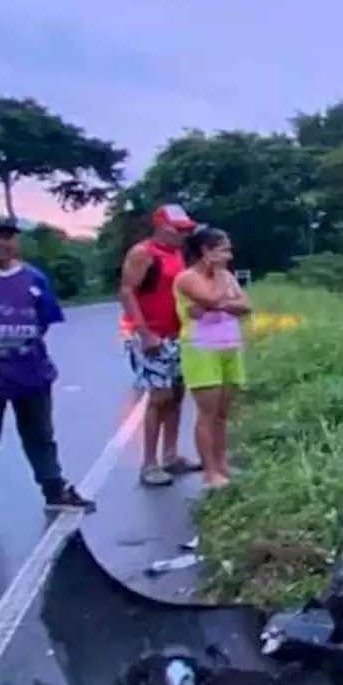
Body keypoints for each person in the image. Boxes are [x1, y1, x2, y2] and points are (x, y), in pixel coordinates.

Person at [0, 216, 96, 514]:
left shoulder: (34, 279)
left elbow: (44, 322)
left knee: (40, 436)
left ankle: (54, 489)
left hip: (32, 374)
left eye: (8, 236)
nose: (2, 243)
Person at [119, 203, 202, 486]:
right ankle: (149, 463)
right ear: (160, 226)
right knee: (159, 397)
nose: (182, 234)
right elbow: (127, 292)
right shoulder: (143, 253)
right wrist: (144, 333)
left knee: (177, 395)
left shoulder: (177, 253)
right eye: (177, 229)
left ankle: (170, 456)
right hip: (151, 335)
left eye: (185, 230)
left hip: (175, 334)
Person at [173, 226, 252, 489]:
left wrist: (219, 301)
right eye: (223, 249)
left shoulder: (227, 275)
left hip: (229, 344)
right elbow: (210, 300)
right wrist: (219, 288)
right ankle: (210, 471)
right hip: (201, 348)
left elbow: (245, 306)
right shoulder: (186, 278)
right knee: (207, 412)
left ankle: (222, 464)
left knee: (222, 412)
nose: (229, 255)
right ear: (206, 251)